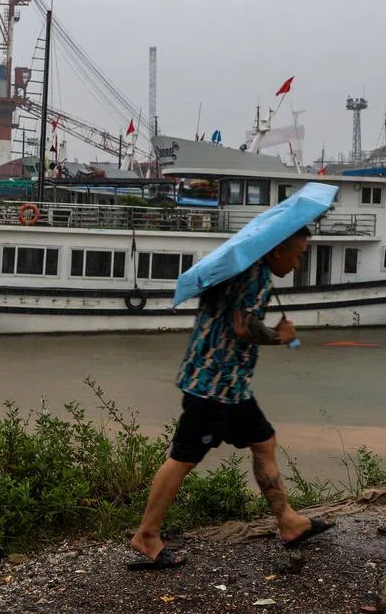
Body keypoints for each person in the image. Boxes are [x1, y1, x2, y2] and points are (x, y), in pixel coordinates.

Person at [128, 226, 335, 571]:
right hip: (214, 387)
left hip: (231, 386)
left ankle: (288, 521)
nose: (299, 263)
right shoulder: (256, 276)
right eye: (298, 254)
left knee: (264, 442)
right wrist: (280, 336)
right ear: (279, 249)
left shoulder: (246, 270)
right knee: (183, 458)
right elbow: (244, 327)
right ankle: (146, 535)